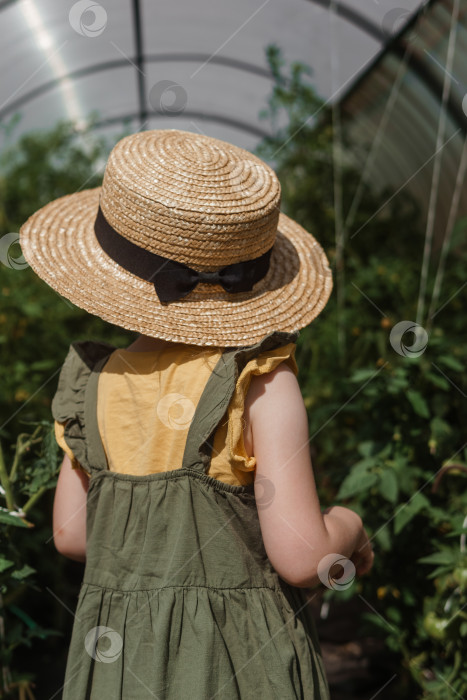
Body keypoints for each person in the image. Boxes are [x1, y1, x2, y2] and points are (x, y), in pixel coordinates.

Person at [19, 128, 374, 699]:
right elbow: (306, 558)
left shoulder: (92, 383)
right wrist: (350, 524)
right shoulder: (260, 379)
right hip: (237, 667)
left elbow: (71, 534)